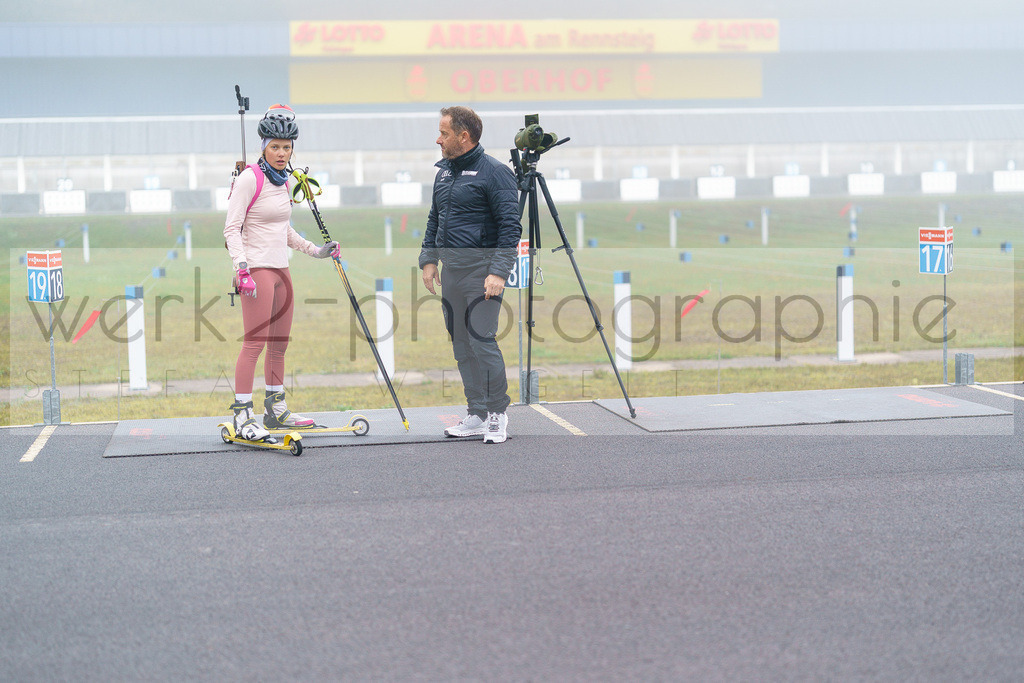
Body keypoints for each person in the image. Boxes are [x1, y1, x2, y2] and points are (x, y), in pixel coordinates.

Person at [223, 104, 339, 441]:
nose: (281, 153)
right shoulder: (250, 179)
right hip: (257, 271)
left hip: (282, 271)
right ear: (263, 146)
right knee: (254, 344)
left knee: (279, 345)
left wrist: (317, 251)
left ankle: (275, 410)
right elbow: (231, 229)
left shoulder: (285, 181)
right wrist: (241, 269)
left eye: (287, 148)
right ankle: (243, 415)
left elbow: (284, 230)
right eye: (275, 146)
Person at [419, 106, 522, 444]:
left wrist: (499, 272)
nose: (438, 139)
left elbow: (510, 227)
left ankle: (497, 414)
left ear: (463, 136)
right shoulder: (444, 173)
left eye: (444, 133)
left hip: (482, 273)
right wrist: (429, 259)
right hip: (451, 272)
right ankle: (476, 412)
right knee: (462, 344)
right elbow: (436, 217)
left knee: (482, 341)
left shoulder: (495, 173)